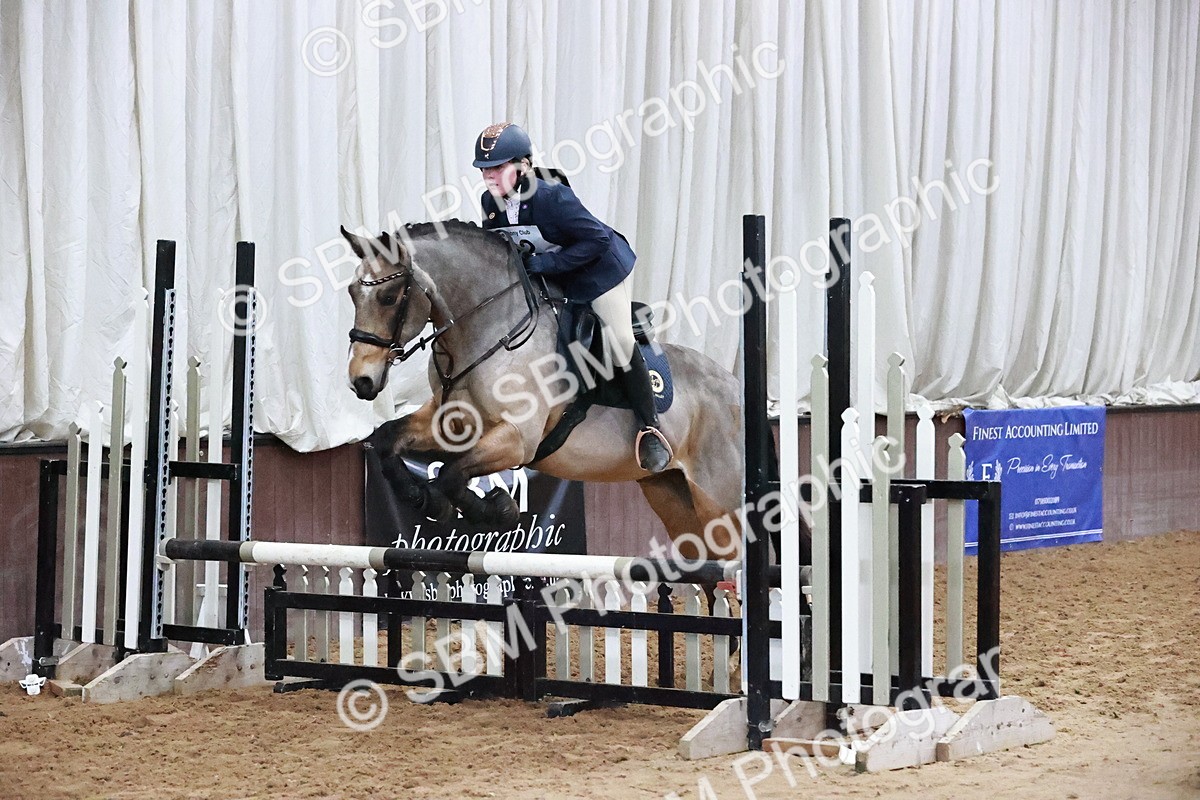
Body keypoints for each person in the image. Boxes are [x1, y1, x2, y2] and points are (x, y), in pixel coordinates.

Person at [473, 122, 672, 473]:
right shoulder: (491, 202)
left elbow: (596, 241)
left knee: (620, 338)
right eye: (486, 169)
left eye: (498, 167)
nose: (490, 176)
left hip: (598, 270)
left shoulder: (552, 197)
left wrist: (546, 262)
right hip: (550, 273)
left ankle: (650, 427)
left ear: (524, 166)